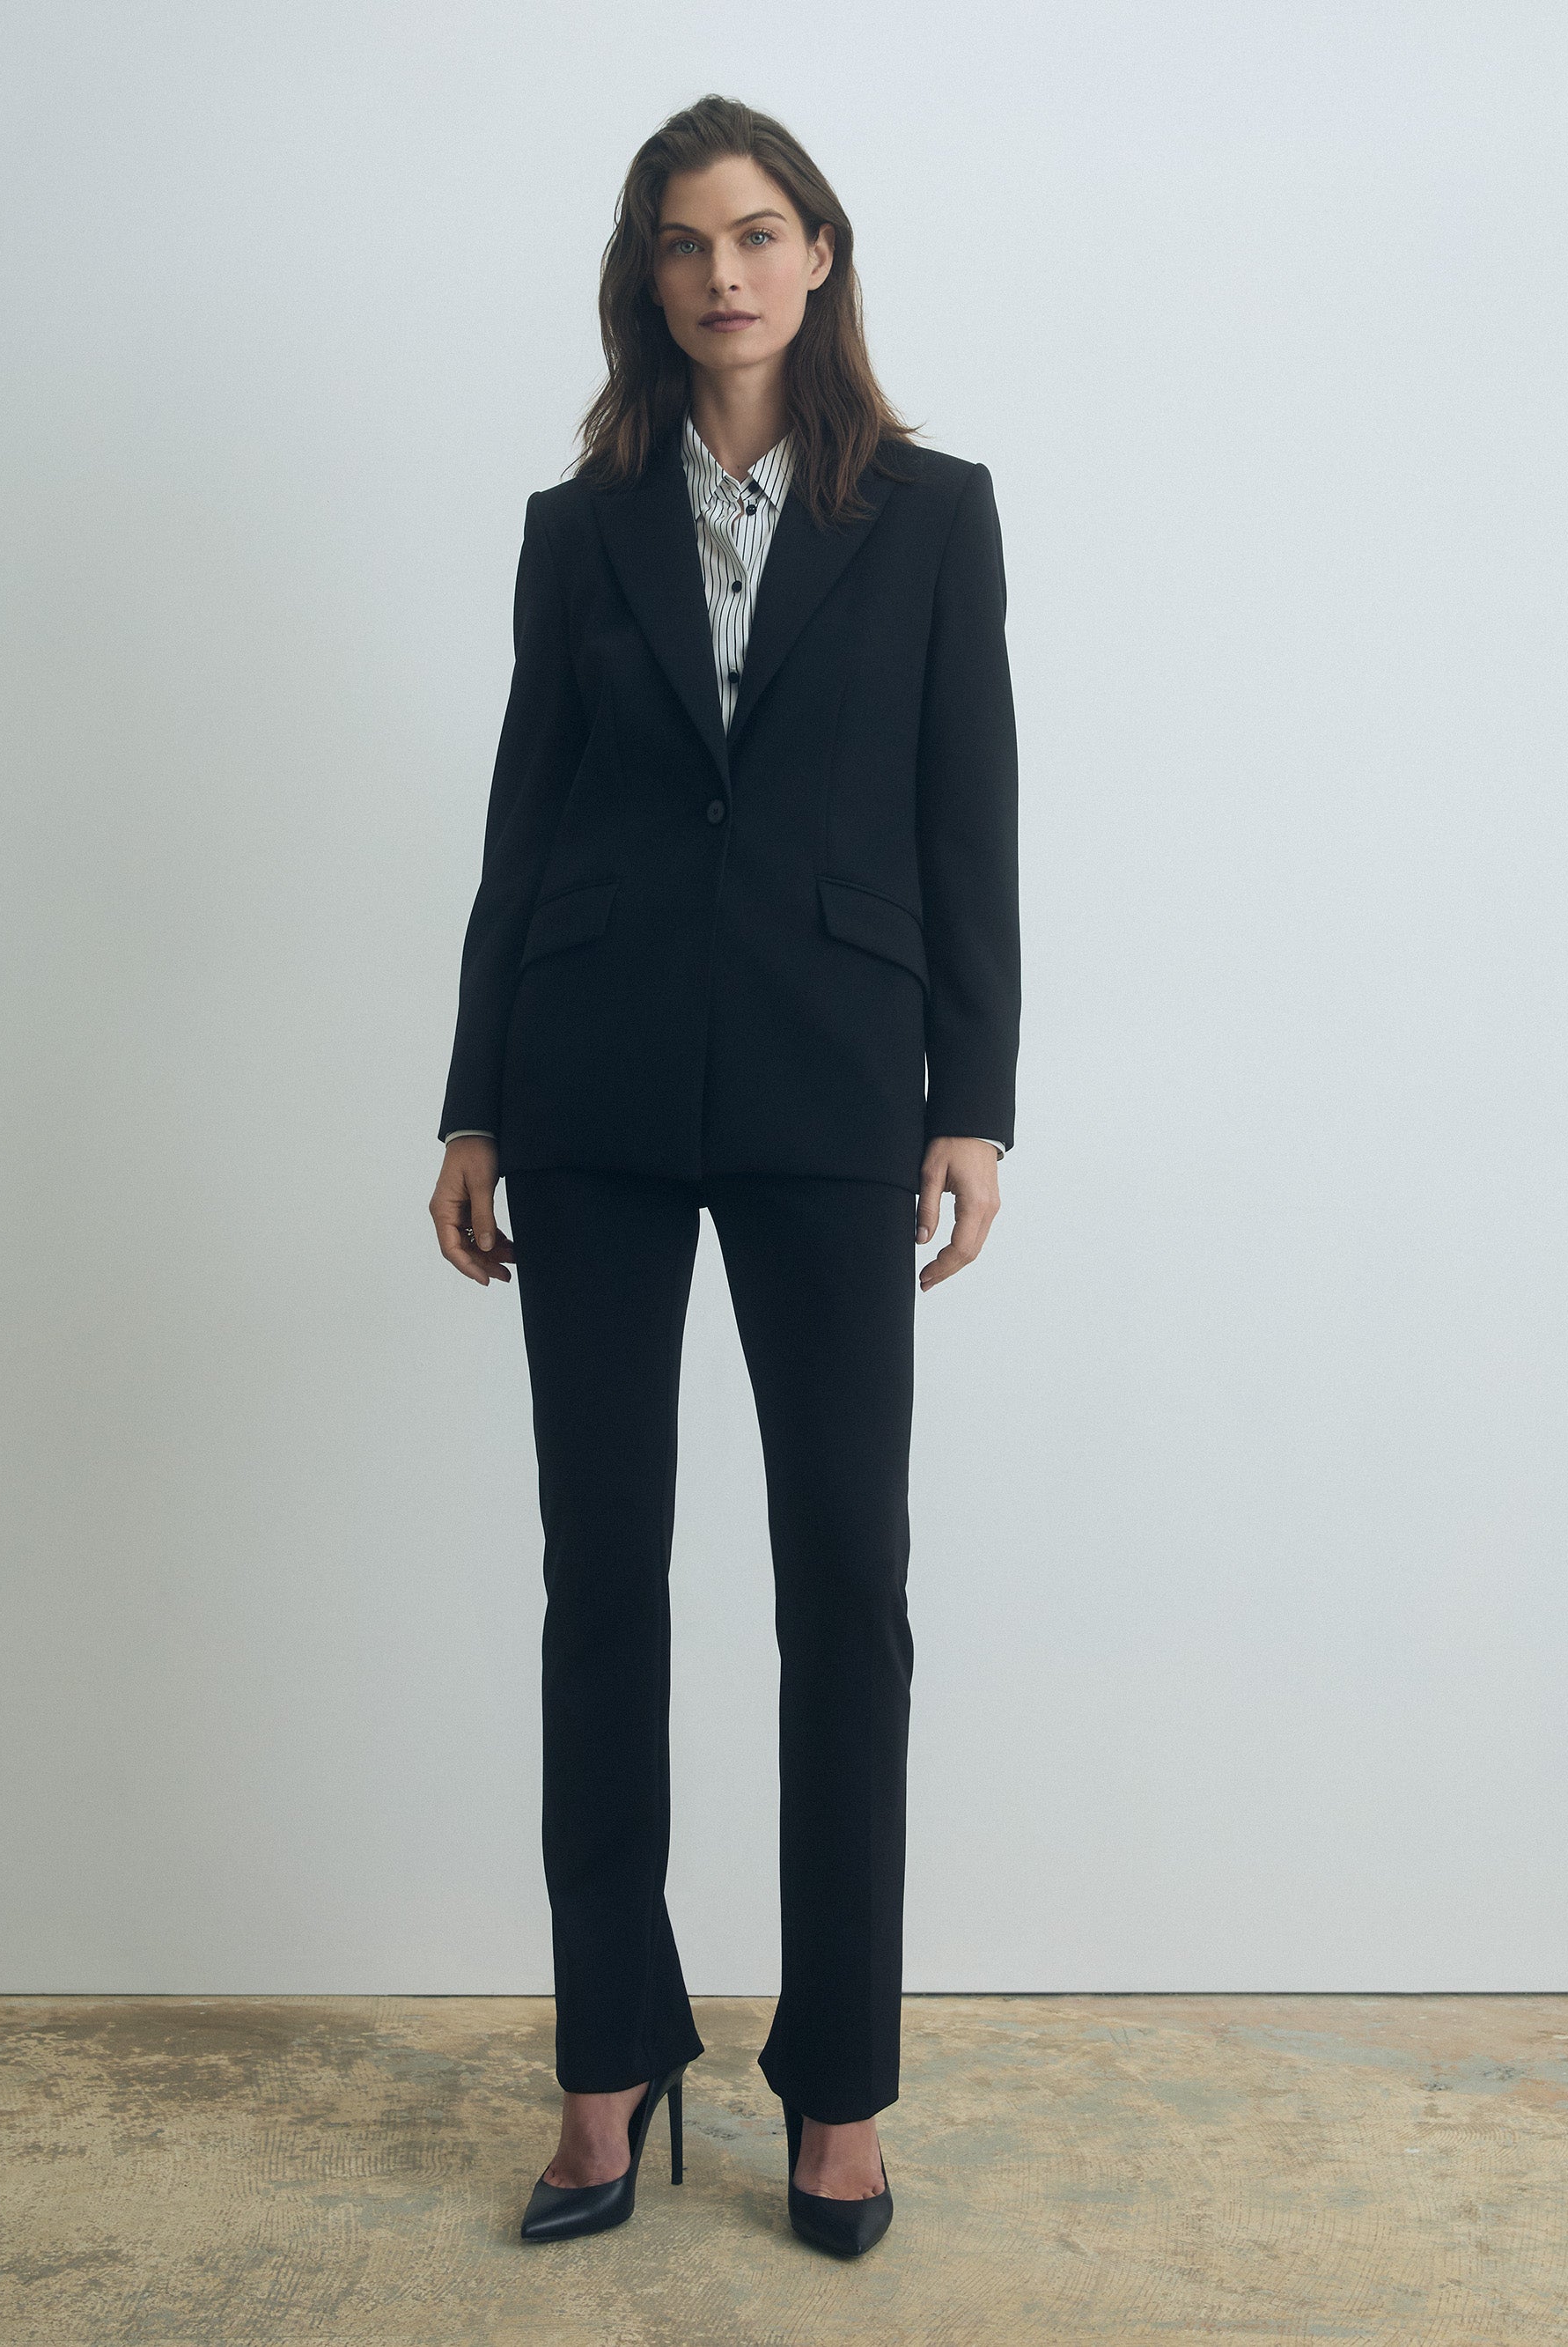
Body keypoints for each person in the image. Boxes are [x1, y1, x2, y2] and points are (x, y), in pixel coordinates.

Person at [429, 92, 1019, 2257]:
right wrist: (472, 1100)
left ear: (823, 256)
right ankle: (609, 2057)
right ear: (646, 277)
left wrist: (977, 1097)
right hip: (586, 1085)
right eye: (685, 243)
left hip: (836, 1087)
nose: (726, 275)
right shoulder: (573, 525)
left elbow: (974, 817)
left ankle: (837, 2090)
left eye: (760, 233)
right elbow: (525, 821)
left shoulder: (934, 514)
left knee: (843, 1594)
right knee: (606, 1585)